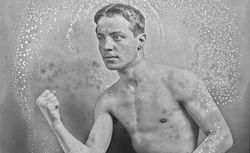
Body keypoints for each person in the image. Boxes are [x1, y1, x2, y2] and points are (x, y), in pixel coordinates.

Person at [36, 3, 233, 153]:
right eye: (101, 37)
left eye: (117, 36)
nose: (106, 46)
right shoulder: (108, 100)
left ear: (140, 41)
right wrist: (56, 123)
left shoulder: (180, 81)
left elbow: (221, 135)